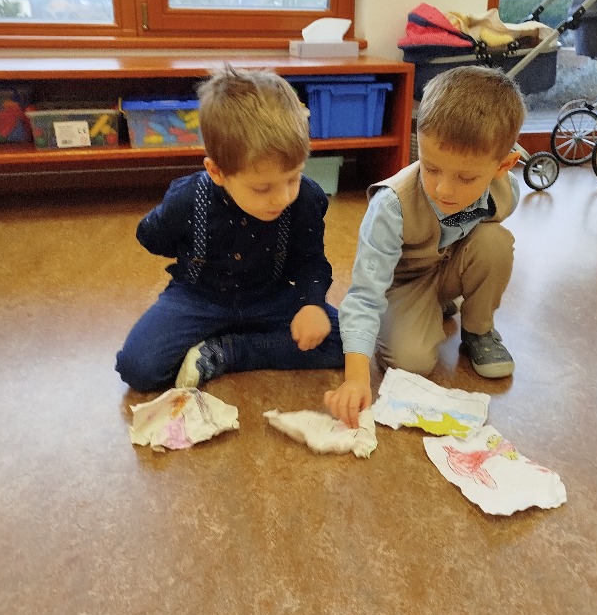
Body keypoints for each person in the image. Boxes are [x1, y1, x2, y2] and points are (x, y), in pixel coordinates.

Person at [116, 65, 344, 393]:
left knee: (349, 342)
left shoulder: (306, 199)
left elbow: (311, 261)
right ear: (217, 172)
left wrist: (311, 303)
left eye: (293, 178)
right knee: (139, 368)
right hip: (199, 298)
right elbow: (150, 236)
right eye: (262, 188)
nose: (282, 198)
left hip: (271, 296)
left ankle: (228, 352)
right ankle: (228, 338)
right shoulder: (186, 199)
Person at [325, 65, 525, 429]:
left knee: (495, 242)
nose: (444, 189)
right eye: (431, 168)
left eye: (466, 177)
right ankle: (432, 307)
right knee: (410, 362)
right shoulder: (391, 206)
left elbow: (486, 250)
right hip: (404, 283)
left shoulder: (506, 191)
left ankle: (478, 330)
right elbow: (364, 295)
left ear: (503, 166)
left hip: (447, 270)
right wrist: (355, 378)